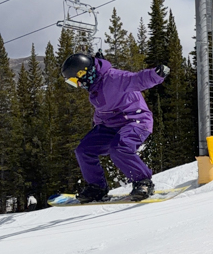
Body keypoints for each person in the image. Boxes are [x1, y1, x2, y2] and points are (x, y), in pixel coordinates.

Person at [60, 52, 170, 203]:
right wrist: (97, 125)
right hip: (110, 125)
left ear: (83, 73)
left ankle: (143, 182)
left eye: (74, 81)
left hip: (135, 120)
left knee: (119, 147)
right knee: (84, 150)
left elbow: (137, 79)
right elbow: (103, 109)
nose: (77, 86)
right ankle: (97, 187)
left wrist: (156, 74)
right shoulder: (94, 86)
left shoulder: (113, 78)